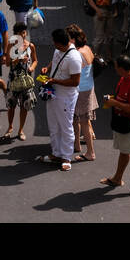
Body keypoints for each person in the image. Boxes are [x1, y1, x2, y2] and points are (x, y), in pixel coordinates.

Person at [100, 54, 130, 198]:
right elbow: (121, 99)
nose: (115, 70)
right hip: (121, 122)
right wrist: (112, 100)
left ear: (121, 68)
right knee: (124, 151)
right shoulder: (123, 79)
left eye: (116, 68)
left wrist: (115, 104)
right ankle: (117, 179)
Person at [38, 28, 82, 171]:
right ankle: (56, 153)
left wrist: (54, 80)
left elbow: (75, 82)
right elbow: (55, 60)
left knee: (65, 126)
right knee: (53, 124)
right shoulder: (58, 50)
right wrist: (47, 68)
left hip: (65, 96)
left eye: (54, 42)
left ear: (60, 43)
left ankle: (66, 157)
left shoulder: (74, 58)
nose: (53, 45)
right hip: (52, 93)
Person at [1, 22, 37, 141]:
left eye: (23, 32)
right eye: (19, 33)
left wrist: (32, 67)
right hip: (13, 79)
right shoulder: (11, 45)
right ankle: (10, 127)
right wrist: (14, 61)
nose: (22, 35)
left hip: (26, 80)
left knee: (24, 106)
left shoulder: (30, 46)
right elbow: (6, 64)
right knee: (11, 105)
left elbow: (35, 60)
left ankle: (21, 130)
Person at [68, 23, 97, 163]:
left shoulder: (78, 53)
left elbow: (73, 72)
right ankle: (77, 144)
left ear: (73, 39)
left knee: (83, 121)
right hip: (89, 87)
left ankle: (90, 152)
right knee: (77, 118)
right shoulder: (88, 49)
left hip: (81, 90)